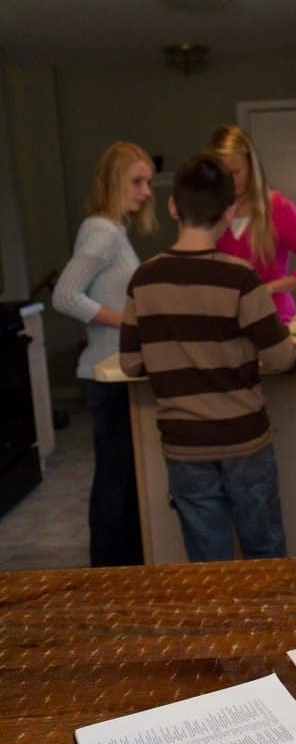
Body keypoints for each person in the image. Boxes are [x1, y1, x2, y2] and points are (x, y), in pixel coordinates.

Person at [119, 153, 296, 562]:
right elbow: (281, 359)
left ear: (173, 206)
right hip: (244, 441)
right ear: (229, 211)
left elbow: (131, 363)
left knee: (208, 564)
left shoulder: (144, 279)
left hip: (184, 446)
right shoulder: (240, 278)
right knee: (265, 552)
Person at [53, 140, 156, 566]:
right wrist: (126, 321)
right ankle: (110, 572)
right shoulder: (102, 232)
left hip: (113, 370)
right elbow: (64, 296)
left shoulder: (114, 230)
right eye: (137, 181)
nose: (146, 191)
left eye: (148, 182)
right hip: (105, 372)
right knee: (116, 481)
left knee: (124, 479)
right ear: (114, 181)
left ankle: (124, 568)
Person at [206, 124, 296, 322]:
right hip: (225, 322)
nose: (231, 180)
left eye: (237, 171)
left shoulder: (279, 208)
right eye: (224, 174)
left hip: (275, 319)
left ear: (251, 167)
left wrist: (271, 288)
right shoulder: (208, 212)